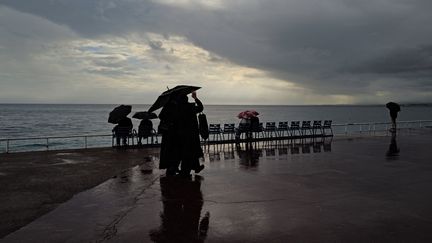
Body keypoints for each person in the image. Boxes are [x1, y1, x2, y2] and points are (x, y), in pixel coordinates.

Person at [176, 91, 205, 176]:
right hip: (192, 134)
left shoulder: (177, 108)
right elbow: (201, 108)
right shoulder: (191, 107)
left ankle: (190, 169)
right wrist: (195, 98)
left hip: (181, 134)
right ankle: (190, 169)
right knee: (192, 151)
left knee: (184, 153)